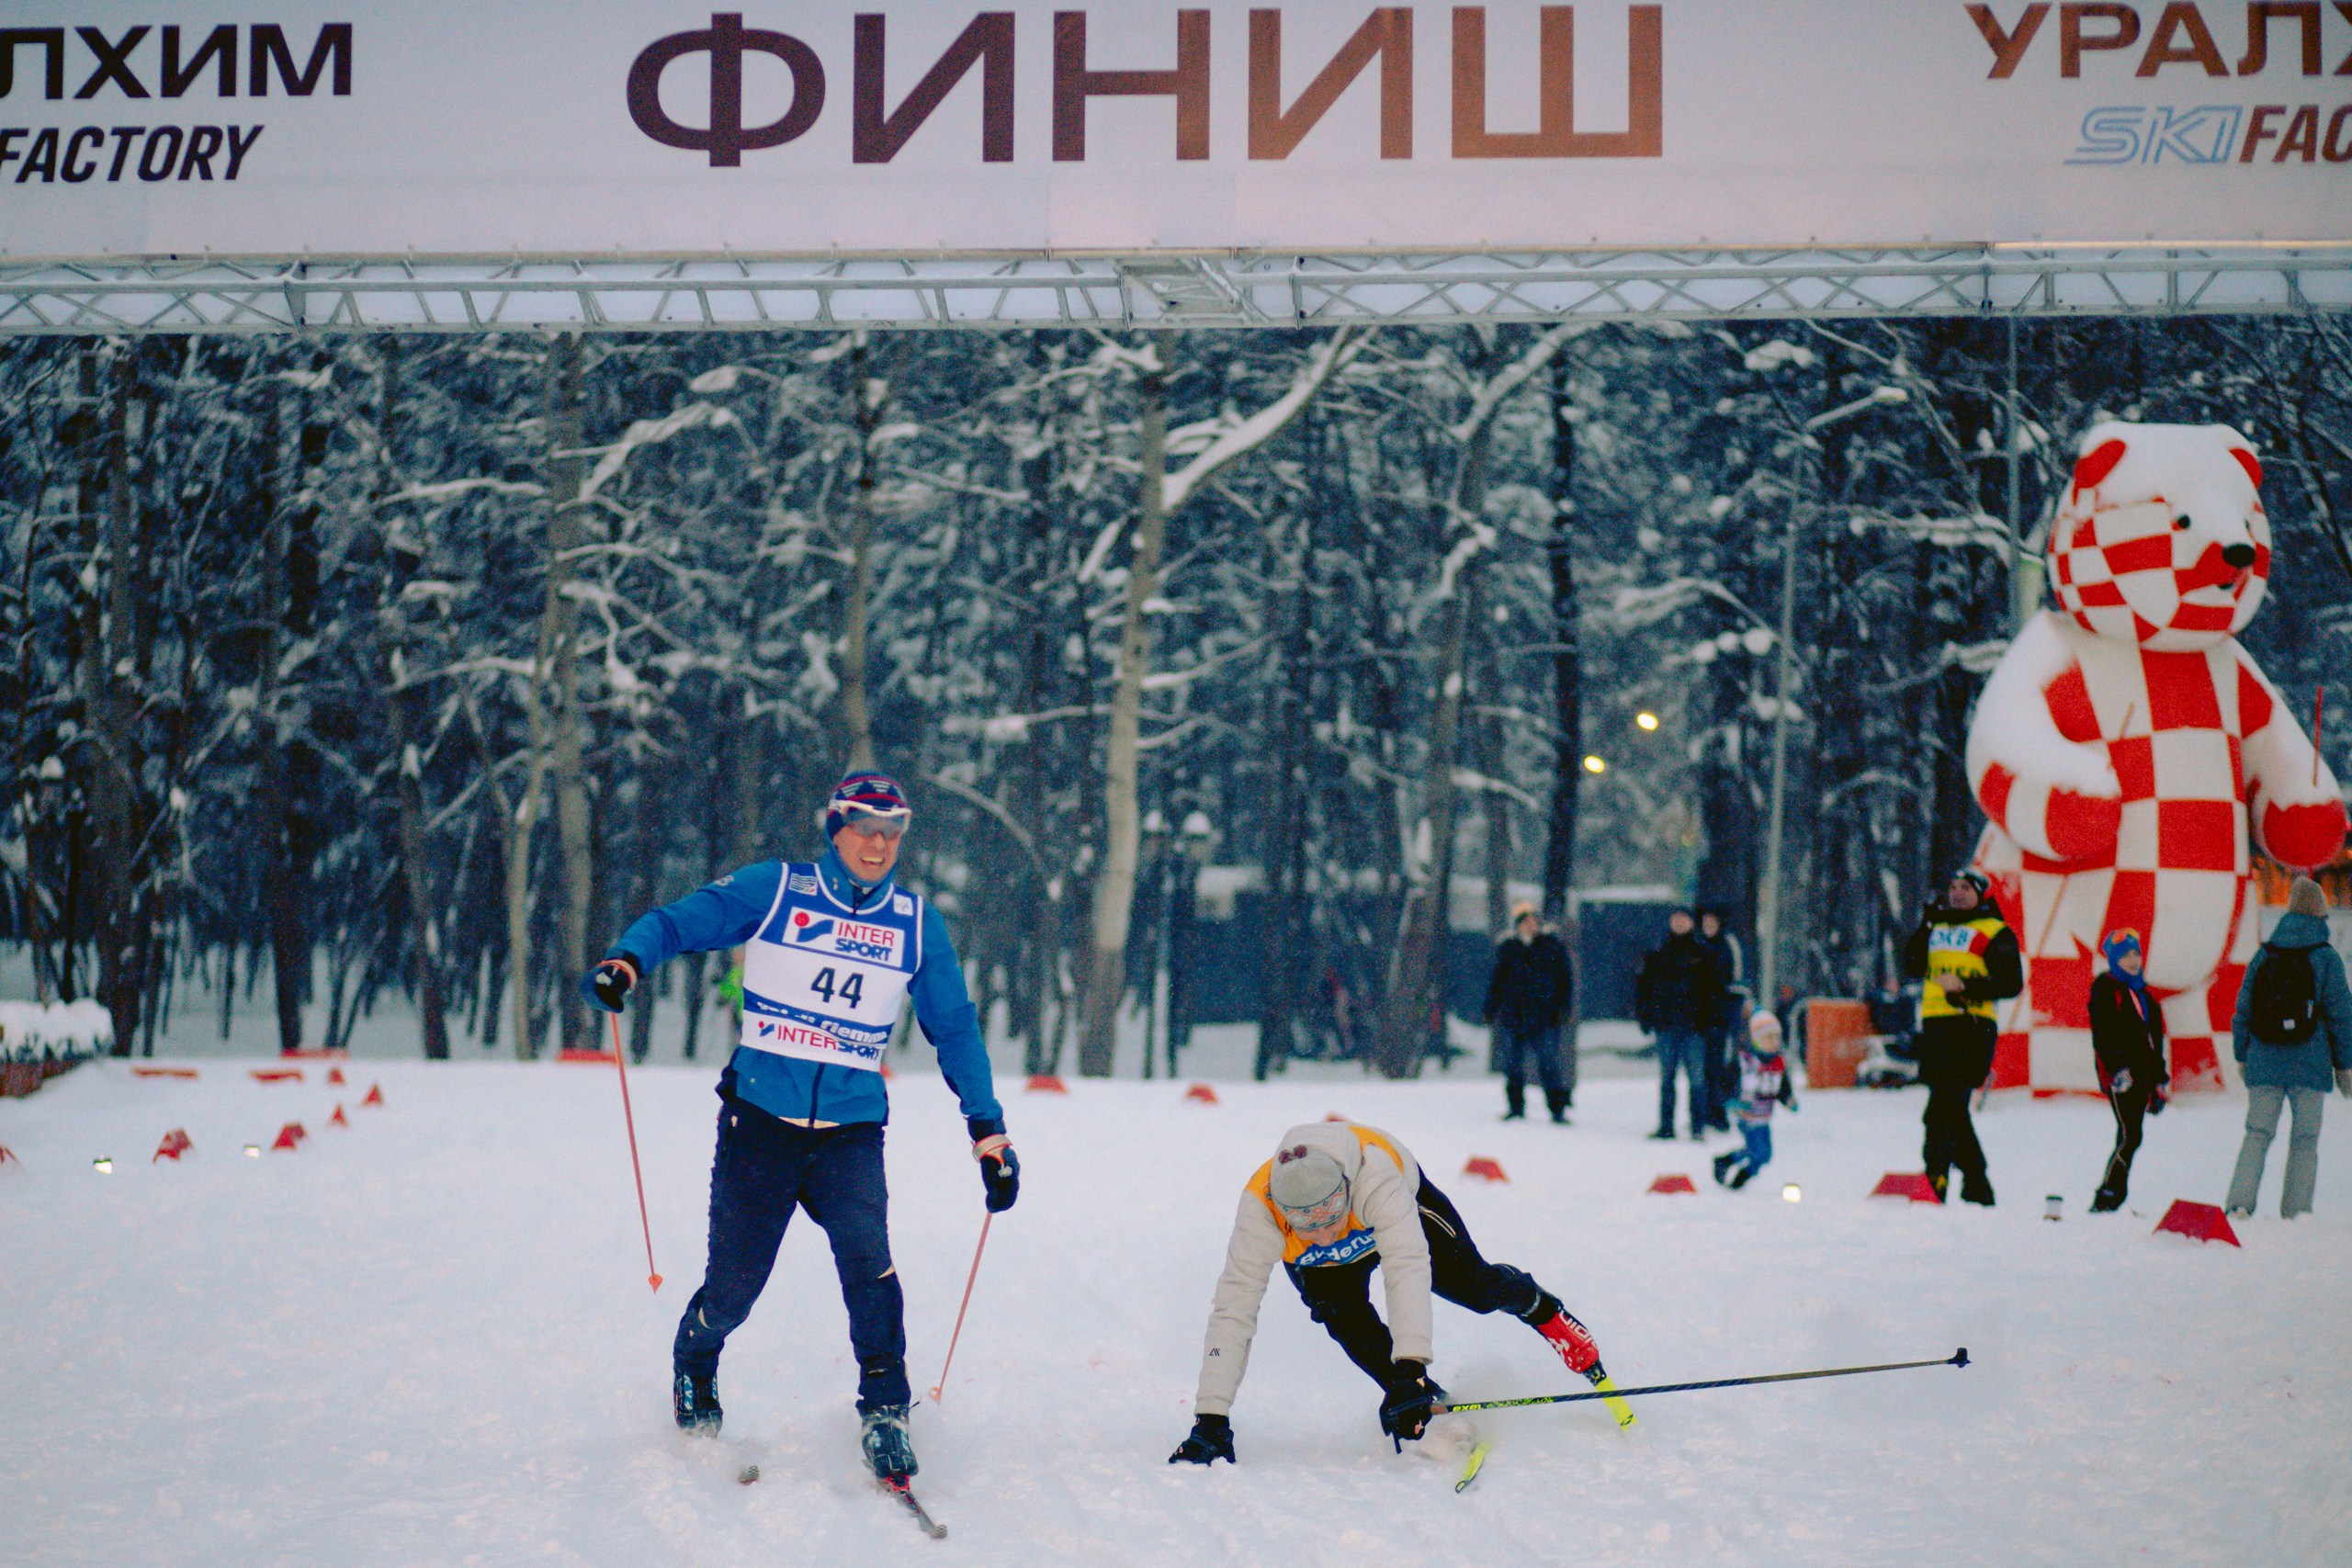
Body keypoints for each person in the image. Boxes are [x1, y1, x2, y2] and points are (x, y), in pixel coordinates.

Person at [581, 772, 1018, 1484]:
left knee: (869, 1265)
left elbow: (956, 1027)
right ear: (835, 830)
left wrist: (988, 1131)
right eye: (864, 829)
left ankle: (886, 1410)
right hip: (761, 1121)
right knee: (735, 1287)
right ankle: (696, 1351)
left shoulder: (913, 921)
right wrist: (627, 960)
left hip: (849, 1130)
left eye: (891, 832)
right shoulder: (778, 890)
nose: (878, 844)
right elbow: (680, 921)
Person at [1168, 1120, 1628, 1466]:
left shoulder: (1375, 1176)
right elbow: (1234, 1311)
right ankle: (1431, 1405)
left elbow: (1407, 1270)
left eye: (1330, 1216)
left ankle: (1537, 1304)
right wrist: (1211, 1420)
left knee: (1474, 1288)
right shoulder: (1259, 1213)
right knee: (1341, 1315)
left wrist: (1410, 1370)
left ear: (1346, 1189)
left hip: (1404, 1209)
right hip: (1329, 1239)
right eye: (1307, 1226)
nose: (1326, 1238)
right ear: (1282, 1214)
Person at [2224, 877, 2352, 1220]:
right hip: (2310, 1065)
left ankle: (2239, 1204)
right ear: (2320, 914)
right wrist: (2345, 1067)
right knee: (2305, 1139)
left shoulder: (2265, 953)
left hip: (2264, 1061)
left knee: (2257, 1133)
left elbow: (2243, 1010)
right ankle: (2296, 1211)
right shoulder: (2327, 958)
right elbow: (2342, 1018)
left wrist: (2242, 1054)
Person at [1898, 867, 2021, 1206]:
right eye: (1952, 887)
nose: (1956, 893)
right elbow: (1911, 964)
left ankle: (1935, 1179)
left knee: (1941, 1109)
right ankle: (1977, 1183)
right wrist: (1924, 927)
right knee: (1951, 1108)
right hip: (1937, 1027)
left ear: (1980, 893)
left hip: (1972, 1027)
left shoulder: (1995, 930)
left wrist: (1967, 988)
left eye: (1965, 888)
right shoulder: (1936, 926)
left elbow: (2011, 984)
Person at [2086, 929, 2167, 1213]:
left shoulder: (2143, 992)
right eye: (2125, 957)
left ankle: (2112, 1193)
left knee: (2132, 1136)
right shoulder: (2106, 989)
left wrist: (2160, 1079)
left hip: (2142, 1074)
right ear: (2113, 960)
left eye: (2136, 955)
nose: (2132, 961)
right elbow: (2103, 1036)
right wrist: (2117, 1070)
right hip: (2121, 1077)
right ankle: (2109, 1194)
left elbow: (2155, 1041)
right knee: (2129, 1135)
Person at [1634, 908, 1727, 1140]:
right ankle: (1666, 1125)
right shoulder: (1659, 954)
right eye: (1675, 919)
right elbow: (1645, 988)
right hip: (1666, 1026)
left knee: (1697, 1078)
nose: (1678, 923)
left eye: (1683, 919)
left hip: (1694, 1027)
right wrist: (1646, 1017)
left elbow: (1714, 993)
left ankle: (1697, 1125)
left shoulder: (1703, 955)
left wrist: (1711, 1022)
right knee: (1667, 1078)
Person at [1482, 902, 1575, 1123]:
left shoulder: (1551, 947)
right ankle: (1516, 1107)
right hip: (1515, 1017)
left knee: (1548, 1064)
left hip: (1543, 1017)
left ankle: (1557, 1108)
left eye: (1533, 920)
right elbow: (1498, 981)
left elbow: (1564, 980)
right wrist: (1491, 1008)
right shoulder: (1510, 949)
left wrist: (1562, 1008)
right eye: (1526, 921)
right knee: (1513, 1065)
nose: (1531, 925)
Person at [1713, 1010, 1797, 1189]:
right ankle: (1742, 1175)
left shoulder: (1778, 1064)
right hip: (1745, 1114)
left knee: (1764, 1155)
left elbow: (1782, 1087)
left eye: (1776, 1037)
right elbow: (1722, 1085)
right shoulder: (1744, 1062)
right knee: (1759, 1151)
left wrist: (1788, 1099)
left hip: (1764, 1117)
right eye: (1768, 1037)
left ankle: (1727, 1162)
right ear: (1756, 1039)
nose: (1774, 1042)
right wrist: (1730, 1101)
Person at [1697, 909, 1745, 1132]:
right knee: (1703, 1068)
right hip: (1701, 1018)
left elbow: (1736, 981)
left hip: (1721, 1017)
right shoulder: (1697, 943)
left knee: (1721, 1066)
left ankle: (1719, 1111)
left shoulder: (1728, 945)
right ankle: (1704, 1111)